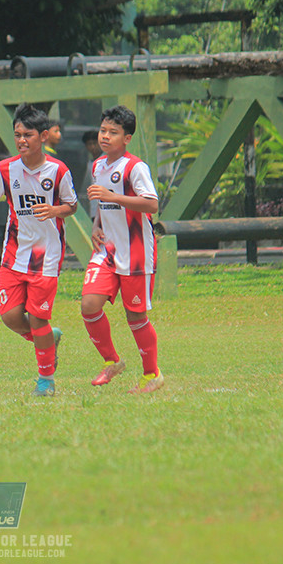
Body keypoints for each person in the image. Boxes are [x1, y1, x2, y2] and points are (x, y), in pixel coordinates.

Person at [0, 104, 78, 396]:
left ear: (44, 136)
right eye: (18, 135)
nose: (22, 140)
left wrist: (54, 209)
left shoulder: (58, 171)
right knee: (11, 316)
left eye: (28, 135)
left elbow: (72, 206)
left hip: (46, 257)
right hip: (14, 254)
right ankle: (48, 339)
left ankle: (45, 381)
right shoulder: (6, 169)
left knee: (38, 319)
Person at [79, 105, 164, 395]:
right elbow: (102, 204)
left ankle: (151, 375)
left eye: (113, 132)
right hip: (108, 249)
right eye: (103, 130)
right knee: (89, 305)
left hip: (136, 251)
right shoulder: (98, 166)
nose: (105, 136)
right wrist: (95, 225)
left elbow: (151, 204)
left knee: (135, 317)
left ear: (126, 138)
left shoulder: (135, 167)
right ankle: (112, 361)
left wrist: (114, 196)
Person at [80, 129, 101, 219]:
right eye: (89, 144)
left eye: (95, 143)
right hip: (93, 210)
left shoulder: (105, 162)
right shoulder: (89, 164)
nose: (92, 147)